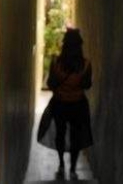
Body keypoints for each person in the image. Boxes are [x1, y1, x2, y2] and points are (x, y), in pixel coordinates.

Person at [44, 28, 93, 178]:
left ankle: (61, 165)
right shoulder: (86, 64)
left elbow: (50, 83)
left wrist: (62, 84)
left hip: (60, 104)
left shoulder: (56, 63)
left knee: (60, 134)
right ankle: (72, 169)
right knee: (75, 137)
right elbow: (87, 85)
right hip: (78, 105)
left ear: (64, 44)